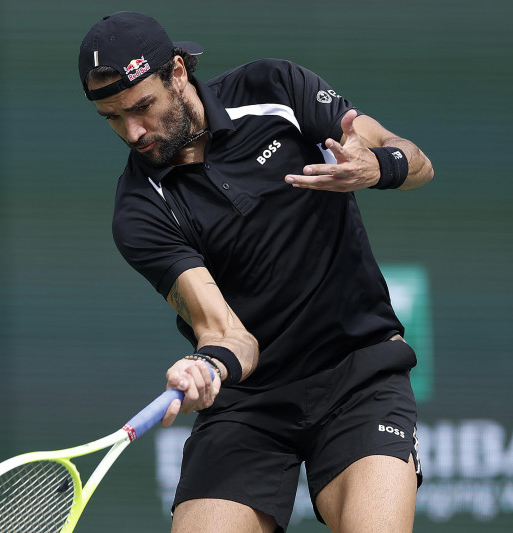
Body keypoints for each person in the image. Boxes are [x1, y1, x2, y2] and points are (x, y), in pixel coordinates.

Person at [78, 12, 434, 533]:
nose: (133, 131)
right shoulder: (139, 210)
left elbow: (416, 161)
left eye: (142, 107)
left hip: (357, 373)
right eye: (112, 118)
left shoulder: (275, 89)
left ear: (178, 72)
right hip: (249, 406)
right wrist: (209, 367)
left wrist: (377, 164)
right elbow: (227, 333)